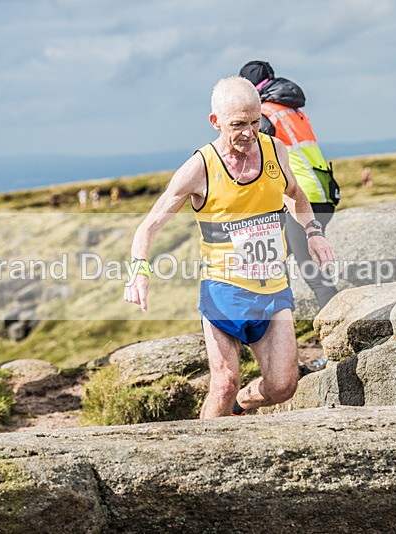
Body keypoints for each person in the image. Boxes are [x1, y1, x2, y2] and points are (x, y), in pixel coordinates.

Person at [124, 77, 334, 418]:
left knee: (284, 386)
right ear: (216, 121)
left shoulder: (275, 151)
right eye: (238, 125)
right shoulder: (200, 168)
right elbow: (148, 226)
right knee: (224, 384)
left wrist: (312, 231)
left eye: (255, 121)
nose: (249, 133)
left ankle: (242, 406)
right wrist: (139, 271)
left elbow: (295, 196)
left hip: (272, 289)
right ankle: (203, 454)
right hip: (224, 290)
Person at [239, 60, 340, 308]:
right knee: (276, 260)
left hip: (301, 199)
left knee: (312, 273)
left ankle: (343, 327)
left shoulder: (265, 114)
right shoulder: (292, 110)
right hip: (322, 192)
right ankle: (279, 320)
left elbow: (252, 155)